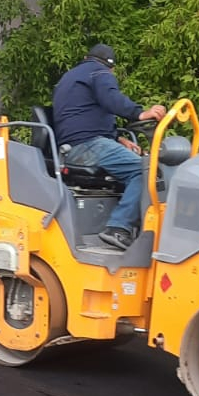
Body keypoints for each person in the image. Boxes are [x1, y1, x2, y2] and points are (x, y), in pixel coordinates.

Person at [52, 44, 167, 252]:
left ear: (86, 57)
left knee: (137, 165)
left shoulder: (70, 77)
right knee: (146, 170)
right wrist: (140, 113)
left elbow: (84, 118)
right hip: (87, 146)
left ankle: (132, 229)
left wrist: (118, 139)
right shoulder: (99, 72)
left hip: (75, 146)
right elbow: (111, 99)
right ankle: (118, 228)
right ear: (111, 68)